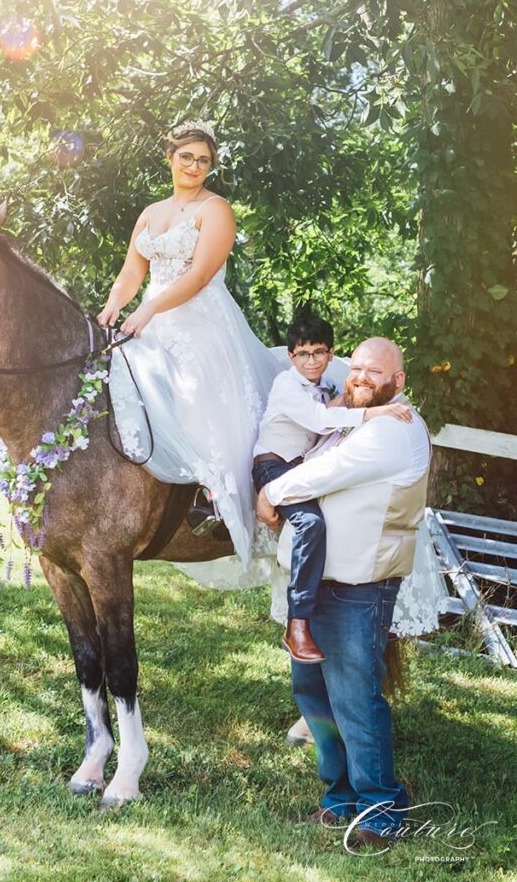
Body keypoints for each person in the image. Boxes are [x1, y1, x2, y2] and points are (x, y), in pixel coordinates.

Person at [256, 338, 430, 851]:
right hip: (313, 592)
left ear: (398, 382)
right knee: (313, 695)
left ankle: (380, 810)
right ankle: (339, 799)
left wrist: (271, 491)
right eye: (354, 368)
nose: (359, 377)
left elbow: (324, 476)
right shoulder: (345, 423)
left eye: (373, 372)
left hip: (360, 586)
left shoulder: (399, 427)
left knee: (356, 698)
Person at [99, 120, 285, 568]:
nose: (195, 166)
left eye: (204, 160)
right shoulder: (151, 212)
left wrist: (148, 310)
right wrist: (111, 308)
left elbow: (200, 275)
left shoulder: (215, 208)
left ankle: (215, 501)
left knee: (194, 390)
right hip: (152, 320)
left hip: (202, 322)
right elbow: (131, 274)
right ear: (170, 157)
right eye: (187, 157)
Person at [253, 312, 412, 663]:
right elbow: (319, 419)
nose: (311, 361)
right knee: (311, 524)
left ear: (330, 354)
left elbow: (333, 409)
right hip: (273, 467)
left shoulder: (326, 388)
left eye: (318, 352)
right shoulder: (286, 385)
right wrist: (374, 414)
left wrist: (366, 403)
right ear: (291, 357)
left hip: (298, 466)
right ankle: (297, 625)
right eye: (303, 354)